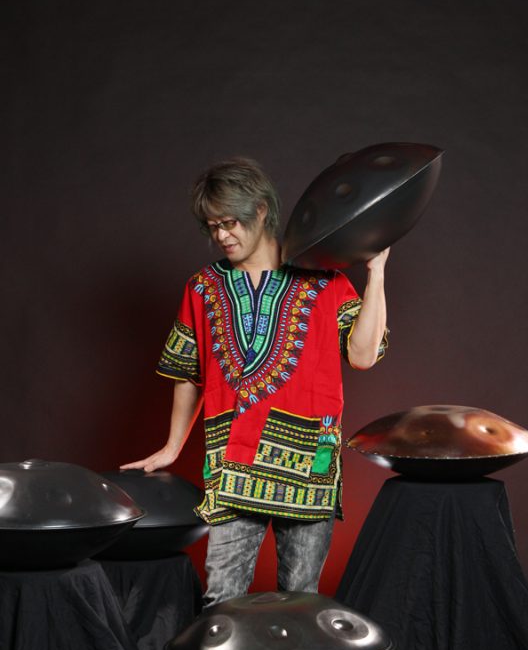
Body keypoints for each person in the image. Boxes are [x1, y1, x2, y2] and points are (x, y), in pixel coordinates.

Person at [122, 157, 389, 608]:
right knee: (221, 602)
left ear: (261, 210)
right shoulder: (203, 287)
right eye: (212, 226)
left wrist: (376, 273)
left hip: (309, 464)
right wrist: (171, 446)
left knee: (301, 602)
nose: (222, 235)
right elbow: (188, 372)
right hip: (232, 461)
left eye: (230, 222)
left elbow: (363, 356)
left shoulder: (324, 280)